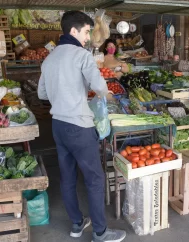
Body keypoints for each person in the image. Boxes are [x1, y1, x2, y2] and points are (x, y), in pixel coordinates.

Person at [38, 11, 126, 242]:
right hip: (79, 126)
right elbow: (99, 87)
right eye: (86, 32)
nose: (88, 37)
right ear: (74, 31)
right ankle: (100, 232)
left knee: (67, 177)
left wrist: (65, 92)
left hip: (58, 125)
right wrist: (109, 96)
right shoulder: (82, 55)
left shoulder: (49, 58)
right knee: (94, 179)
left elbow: (42, 93)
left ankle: (77, 225)